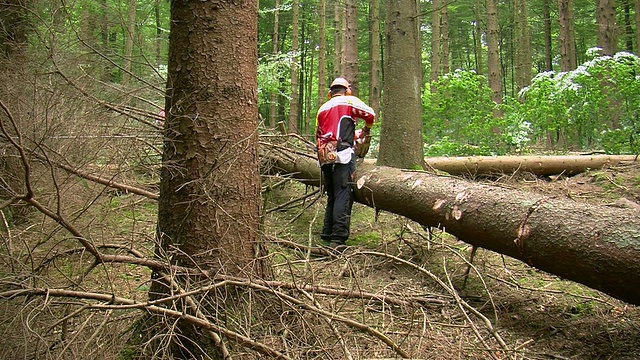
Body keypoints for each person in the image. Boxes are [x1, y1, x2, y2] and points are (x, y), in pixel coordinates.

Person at [315, 77, 375, 250]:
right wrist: (367, 129)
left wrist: (356, 134)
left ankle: (327, 233)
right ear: (347, 90)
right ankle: (338, 238)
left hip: (324, 154)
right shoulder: (349, 101)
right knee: (343, 193)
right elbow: (370, 114)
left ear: (330, 93)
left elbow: (324, 133)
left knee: (332, 194)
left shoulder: (322, 109)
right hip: (342, 154)